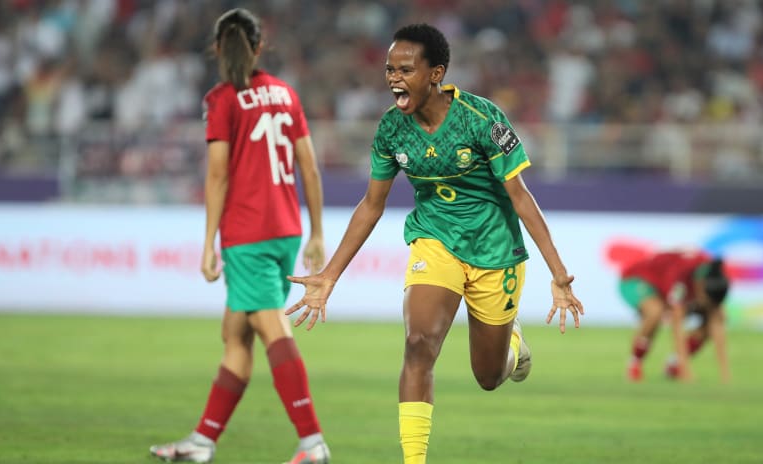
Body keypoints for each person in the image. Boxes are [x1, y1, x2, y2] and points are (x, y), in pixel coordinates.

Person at [286, 23, 584, 464]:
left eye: (405, 69)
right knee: (419, 342)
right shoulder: (391, 130)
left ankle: (513, 346)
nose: (393, 78)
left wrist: (558, 274)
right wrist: (329, 274)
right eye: (389, 69)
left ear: (435, 73)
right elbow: (371, 205)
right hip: (435, 241)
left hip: (495, 251)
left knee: (487, 376)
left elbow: (521, 197)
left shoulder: (482, 119)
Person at [149, 8, 331, 464]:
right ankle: (202, 442)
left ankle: (312, 443)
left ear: (216, 49)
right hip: (285, 228)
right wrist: (317, 232)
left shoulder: (222, 99)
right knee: (235, 333)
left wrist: (209, 242)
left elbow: (216, 176)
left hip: (246, 233)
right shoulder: (285, 94)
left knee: (270, 326)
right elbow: (308, 164)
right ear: (259, 47)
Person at [620, 249, 731, 383]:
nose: (704, 303)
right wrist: (687, 372)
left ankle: (673, 364)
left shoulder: (716, 277)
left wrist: (725, 376)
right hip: (638, 279)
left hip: (667, 287)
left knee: (715, 318)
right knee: (655, 311)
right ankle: (634, 363)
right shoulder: (681, 279)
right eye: (703, 298)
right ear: (700, 286)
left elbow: (717, 323)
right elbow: (677, 327)